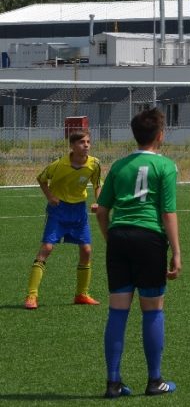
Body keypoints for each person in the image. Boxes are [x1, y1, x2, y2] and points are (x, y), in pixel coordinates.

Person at [96, 108, 181, 398]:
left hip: (119, 236)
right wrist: (177, 253)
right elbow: (168, 212)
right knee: (152, 309)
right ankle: (154, 380)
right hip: (149, 240)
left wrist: (112, 238)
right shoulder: (166, 167)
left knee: (117, 310)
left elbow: (102, 210)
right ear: (160, 135)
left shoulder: (119, 166)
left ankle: (113, 382)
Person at [24, 129, 103, 310]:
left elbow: (97, 184)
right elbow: (41, 179)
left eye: (88, 142)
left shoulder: (94, 164)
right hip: (58, 211)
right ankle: (31, 296)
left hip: (79, 211)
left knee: (86, 250)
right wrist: (50, 197)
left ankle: (81, 294)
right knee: (47, 248)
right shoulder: (58, 165)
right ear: (73, 146)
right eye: (82, 142)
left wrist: (99, 202)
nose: (86, 145)